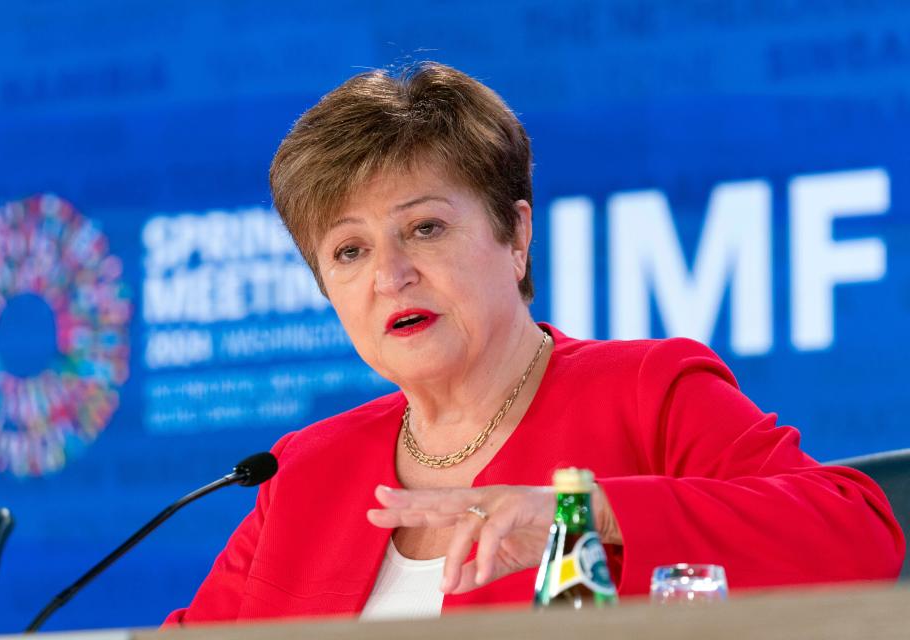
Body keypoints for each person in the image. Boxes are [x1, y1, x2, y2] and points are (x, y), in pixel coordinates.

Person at [164, 62, 904, 624]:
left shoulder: (645, 391)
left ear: (515, 236)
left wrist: (592, 515)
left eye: (425, 228)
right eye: (349, 251)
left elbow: (861, 538)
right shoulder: (301, 473)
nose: (390, 275)